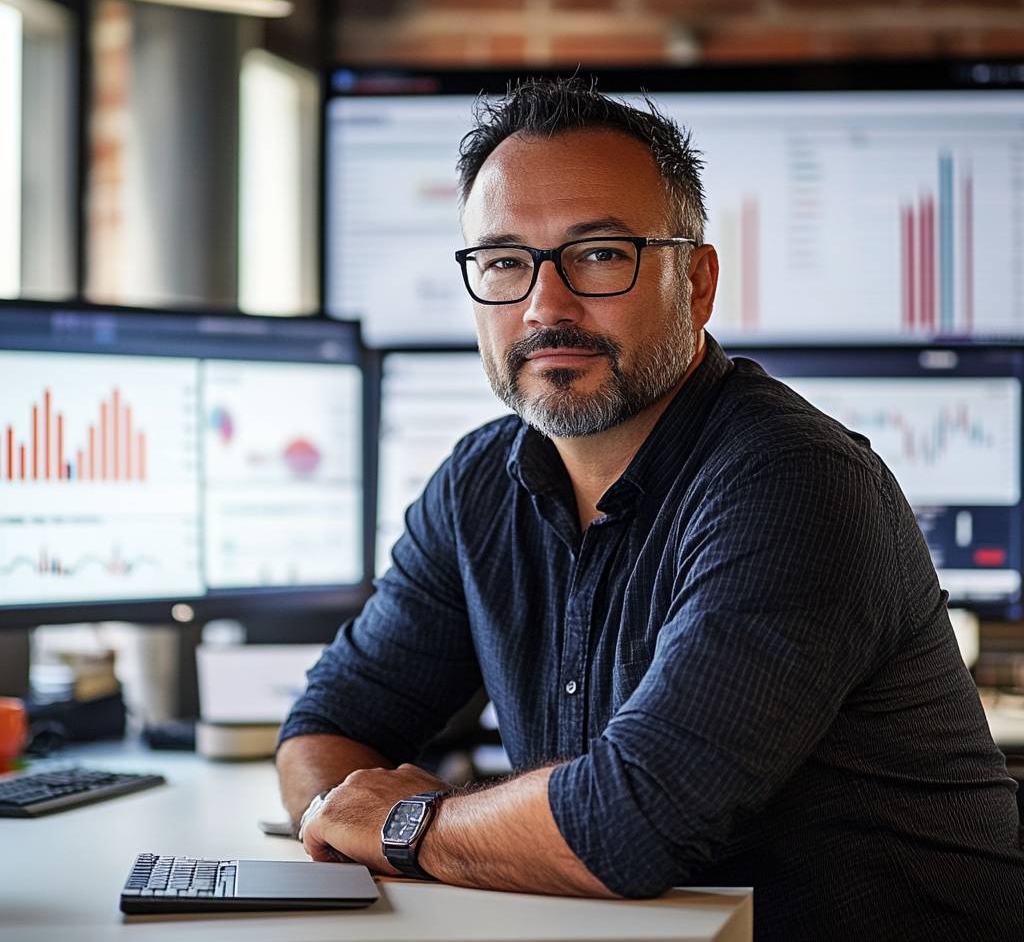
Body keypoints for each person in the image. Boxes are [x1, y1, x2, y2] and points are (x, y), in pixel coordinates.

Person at [277, 79, 1023, 940]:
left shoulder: (794, 482)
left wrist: (411, 826)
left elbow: (635, 824)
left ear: (697, 283)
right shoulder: (478, 484)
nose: (544, 307)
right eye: (504, 261)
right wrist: (352, 818)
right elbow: (327, 727)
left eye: (598, 254)